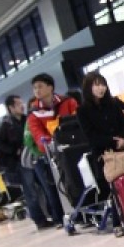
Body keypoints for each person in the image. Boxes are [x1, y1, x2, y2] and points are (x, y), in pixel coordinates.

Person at [24, 72, 77, 228]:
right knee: (56, 187)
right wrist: (50, 144)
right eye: (34, 88)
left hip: (74, 147)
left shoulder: (68, 102)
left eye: (40, 86)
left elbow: (77, 119)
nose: (37, 90)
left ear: (50, 87)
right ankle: (63, 216)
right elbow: (38, 135)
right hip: (53, 154)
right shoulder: (34, 114)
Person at [0, 95, 50, 229]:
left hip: (32, 157)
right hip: (19, 162)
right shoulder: (5, 124)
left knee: (41, 188)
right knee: (30, 191)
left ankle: (47, 214)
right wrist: (13, 150)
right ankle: (39, 220)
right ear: (11, 108)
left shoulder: (25, 119)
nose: (22, 105)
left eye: (21, 103)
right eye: (18, 104)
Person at [76, 71, 124, 204]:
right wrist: (114, 141)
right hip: (103, 155)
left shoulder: (112, 103)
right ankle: (118, 220)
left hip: (123, 150)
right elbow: (91, 136)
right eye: (96, 85)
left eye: (103, 84)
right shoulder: (83, 110)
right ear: (88, 87)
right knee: (114, 192)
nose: (101, 88)